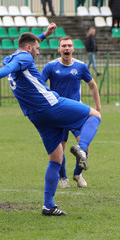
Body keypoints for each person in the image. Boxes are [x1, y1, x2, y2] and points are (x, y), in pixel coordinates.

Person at [0, 24, 102, 216]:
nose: (38, 53)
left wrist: (43, 35)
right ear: (28, 48)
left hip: (35, 116)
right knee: (95, 115)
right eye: (37, 49)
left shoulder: (12, 55)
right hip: (50, 104)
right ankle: (82, 147)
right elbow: (13, 65)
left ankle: (48, 205)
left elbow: (13, 61)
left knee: (56, 157)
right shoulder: (24, 57)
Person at [42, 37, 102, 189]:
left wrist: (98, 107)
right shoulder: (50, 67)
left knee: (85, 146)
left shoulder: (81, 67)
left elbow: (93, 86)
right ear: (59, 49)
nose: (66, 48)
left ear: (73, 49)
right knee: (59, 148)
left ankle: (78, 174)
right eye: (64, 46)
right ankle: (63, 177)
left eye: (69, 45)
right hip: (58, 112)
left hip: (76, 112)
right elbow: (40, 87)